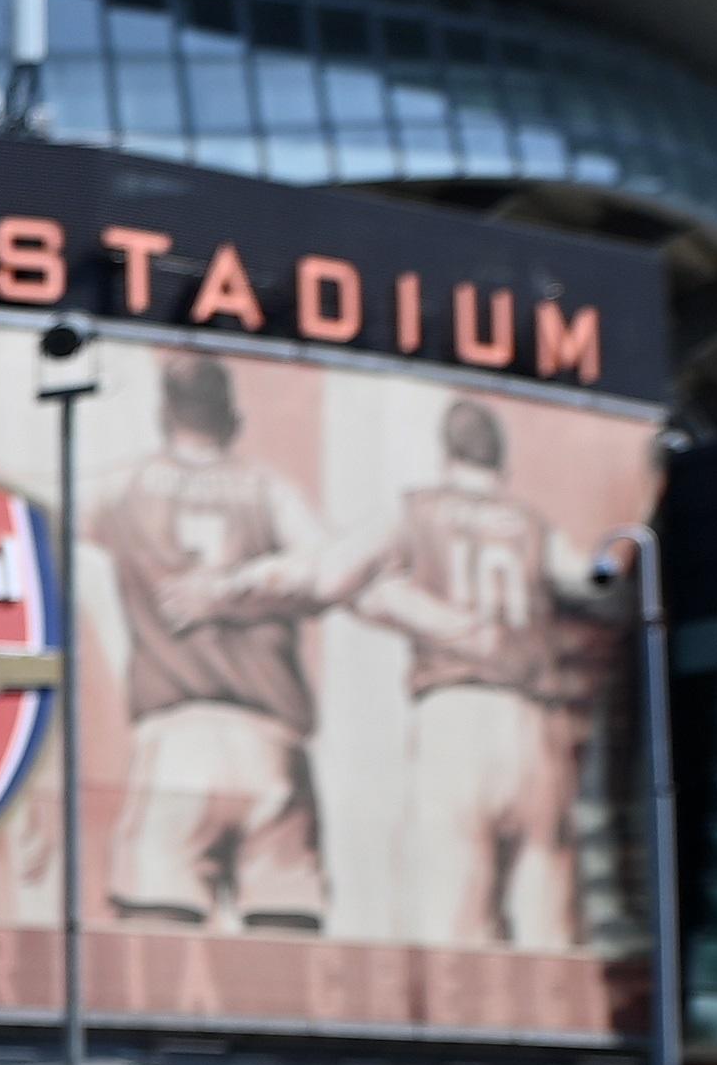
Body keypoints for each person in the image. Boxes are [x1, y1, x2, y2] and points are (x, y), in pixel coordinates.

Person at [255, 398, 597, 949]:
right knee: (545, 922)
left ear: (447, 452)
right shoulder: (534, 525)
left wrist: (392, 602)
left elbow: (328, 578)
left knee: (453, 917)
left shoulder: (416, 509)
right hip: (532, 723)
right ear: (501, 458)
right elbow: (598, 586)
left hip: (454, 714)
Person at [93, 352, 330, 933]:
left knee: (157, 943)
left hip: (178, 737)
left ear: (164, 415)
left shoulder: (127, 483)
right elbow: (325, 570)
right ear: (234, 419)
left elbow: (38, 495)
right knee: (283, 946)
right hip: (270, 741)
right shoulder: (270, 490)